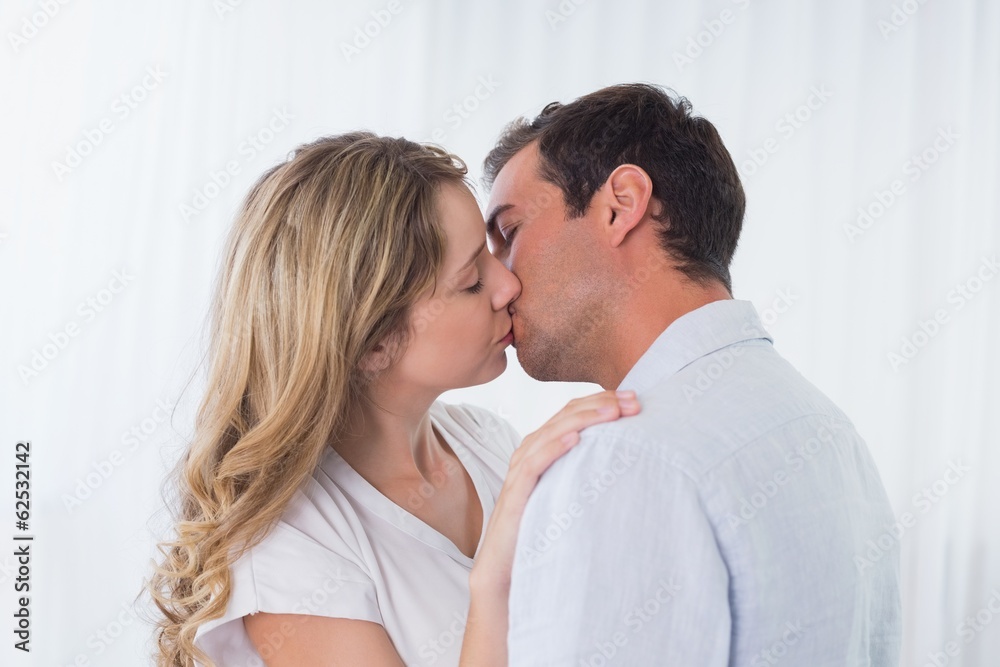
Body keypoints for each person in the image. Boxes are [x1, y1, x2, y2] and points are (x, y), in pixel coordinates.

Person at [144, 132, 641, 667]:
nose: (508, 287)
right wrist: (492, 582)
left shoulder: (488, 443)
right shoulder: (287, 551)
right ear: (373, 343)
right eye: (472, 280)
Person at [482, 83, 902, 666]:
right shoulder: (826, 428)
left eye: (509, 232)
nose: (499, 282)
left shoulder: (620, 461)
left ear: (620, 203)